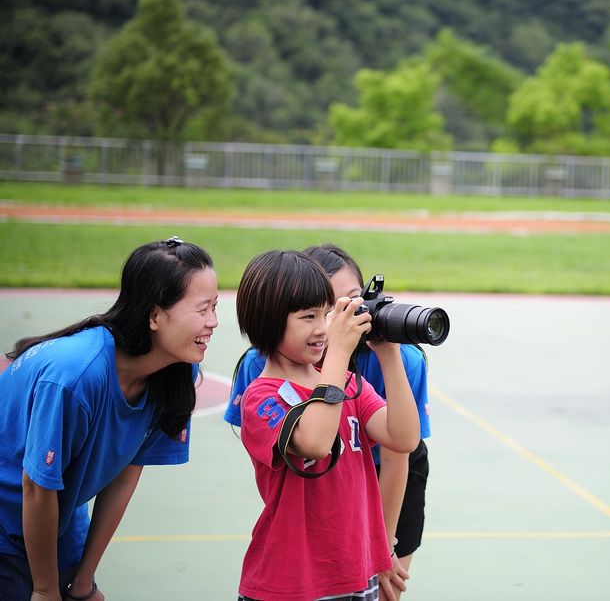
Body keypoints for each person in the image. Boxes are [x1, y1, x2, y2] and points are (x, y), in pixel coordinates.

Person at [0, 236, 218, 601]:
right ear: (154, 315)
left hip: (58, 514)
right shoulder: (76, 375)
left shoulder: (175, 374)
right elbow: (36, 487)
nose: (214, 322)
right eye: (202, 309)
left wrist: (84, 581)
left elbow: (124, 476)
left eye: (215, 307)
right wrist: (45, 589)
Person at [225, 244, 431, 600]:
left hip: (354, 573)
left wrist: (389, 354)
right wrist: (338, 351)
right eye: (309, 317)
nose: (324, 328)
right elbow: (316, 443)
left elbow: (403, 438)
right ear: (268, 320)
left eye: (327, 315)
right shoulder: (261, 396)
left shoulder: (349, 383)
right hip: (289, 581)